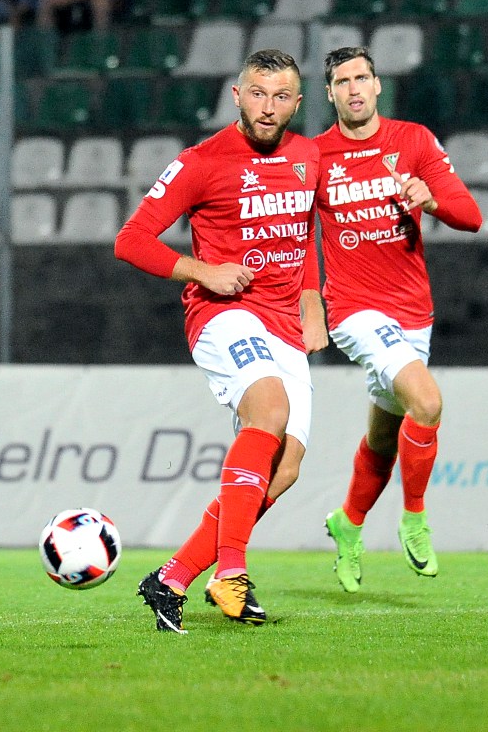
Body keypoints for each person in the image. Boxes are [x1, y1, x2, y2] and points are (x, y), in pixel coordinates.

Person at [114, 49, 325, 633]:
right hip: (224, 313)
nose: (267, 107)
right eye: (257, 93)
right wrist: (202, 271)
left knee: (285, 470)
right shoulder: (201, 162)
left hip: (285, 324)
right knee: (269, 410)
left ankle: (172, 578)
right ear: (237, 95)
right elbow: (131, 240)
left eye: (280, 97)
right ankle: (231, 570)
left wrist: (312, 304)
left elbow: (303, 234)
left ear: (296, 103)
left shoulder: (308, 156)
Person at [314, 47, 482, 593]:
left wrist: (430, 201)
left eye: (362, 77)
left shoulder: (413, 141)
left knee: (384, 438)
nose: (354, 88)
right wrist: (308, 304)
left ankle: (348, 521)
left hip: (413, 313)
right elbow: (293, 237)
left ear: (378, 85)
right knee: (427, 403)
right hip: (354, 308)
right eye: (343, 81)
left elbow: (471, 217)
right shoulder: (315, 156)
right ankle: (414, 518)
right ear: (330, 93)